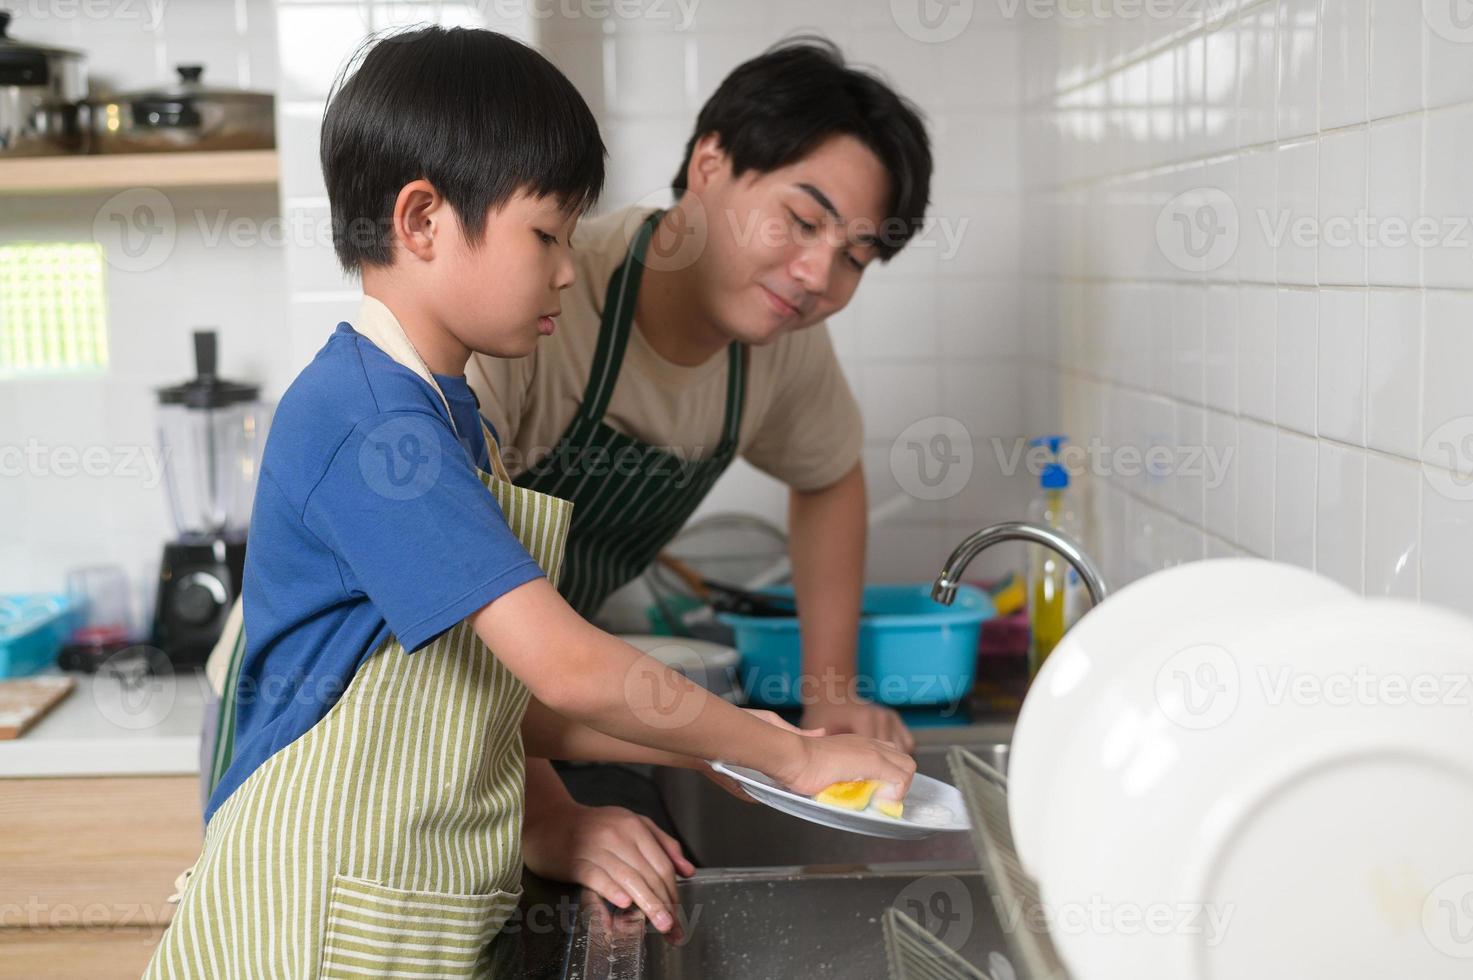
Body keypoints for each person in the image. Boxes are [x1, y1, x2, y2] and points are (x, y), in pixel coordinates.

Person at [147, 27, 914, 977]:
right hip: (313, 911)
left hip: (395, 907)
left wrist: (741, 750)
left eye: (855, 253)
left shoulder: (441, 411)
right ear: (421, 220)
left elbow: (498, 696)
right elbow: (561, 668)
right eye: (547, 235)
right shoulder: (378, 429)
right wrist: (780, 754)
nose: (564, 265)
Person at [467, 37, 933, 825]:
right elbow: (442, 578)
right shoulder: (541, 301)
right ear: (710, 163)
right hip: (378, 702)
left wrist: (830, 696)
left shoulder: (780, 344)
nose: (819, 276)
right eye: (800, 220)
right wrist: (547, 814)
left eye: (854, 256)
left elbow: (828, 476)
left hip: (525, 708)